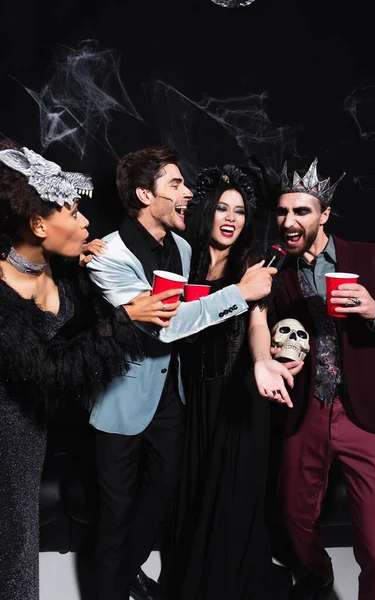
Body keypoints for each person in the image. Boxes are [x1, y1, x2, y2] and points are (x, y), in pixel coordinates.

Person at [86, 146, 276, 600]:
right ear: (143, 194)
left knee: (164, 492)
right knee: (115, 513)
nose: (188, 193)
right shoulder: (108, 255)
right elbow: (167, 327)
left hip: (173, 395)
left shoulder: (185, 247)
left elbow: (201, 312)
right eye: (175, 184)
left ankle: (128, 570)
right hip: (122, 397)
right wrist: (239, 293)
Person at [0, 140, 183, 600]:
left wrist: (86, 275)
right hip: (8, 431)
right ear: (40, 224)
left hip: (41, 427)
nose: (85, 220)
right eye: (74, 213)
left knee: (24, 535)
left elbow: (73, 335)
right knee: (13, 540)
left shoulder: (63, 273)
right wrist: (127, 318)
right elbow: (48, 370)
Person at [260, 158, 375, 600]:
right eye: (282, 212)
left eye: (301, 211)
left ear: (324, 216)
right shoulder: (276, 272)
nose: (288, 221)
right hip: (308, 408)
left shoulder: (372, 257)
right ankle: (318, 574)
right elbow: (269, 330)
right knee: (294, 518)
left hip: (370, 415)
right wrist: (281, 357)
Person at [165, 164, 300, 600]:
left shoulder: (251, 264)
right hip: (194, 397)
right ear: (207, 209)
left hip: (238, 395)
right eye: (222, 207)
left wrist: (262, 361)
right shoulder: (182, 258)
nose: (231, 217)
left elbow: (258, 322)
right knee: (197, 493)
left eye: (240, 212)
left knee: (231, 501)